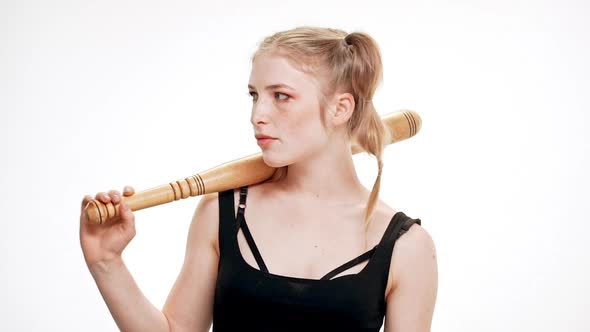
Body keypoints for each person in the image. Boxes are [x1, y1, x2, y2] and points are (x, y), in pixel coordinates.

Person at [79, 26, 438, 332]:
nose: (257, 115)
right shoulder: (223, 211)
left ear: (340, 108)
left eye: (281, 96)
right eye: (254, 96)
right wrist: (107, 262)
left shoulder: (407, 247)